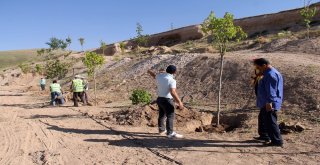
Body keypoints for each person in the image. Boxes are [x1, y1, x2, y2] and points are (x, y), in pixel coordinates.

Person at [253, 58, 284, 147]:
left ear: (264, 65)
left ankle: (277, 141)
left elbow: (271, 91)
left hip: (269, 102)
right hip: (265, 102)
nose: (257, 69)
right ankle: (264, 135)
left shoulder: (270, 75)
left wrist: (269, 102)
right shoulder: (267, 73)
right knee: (263, 118)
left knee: (270, 121)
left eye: (258, 67)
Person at [148, 65, 184, 139]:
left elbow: (154, 75)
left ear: (166, 70)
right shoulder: (172, 80)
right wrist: (179, 102)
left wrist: (149, 71)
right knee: (170, 116)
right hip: (167, 100)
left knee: (162, 115)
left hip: (159, 99)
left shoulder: (160, 76)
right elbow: (172, 92)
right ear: (174, 72)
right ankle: (170, 133)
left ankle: (161, 130)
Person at [251, 68, 270, 142]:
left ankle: (266, 136)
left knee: (265, 117)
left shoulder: (264, 77)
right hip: (262, 101)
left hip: (266, 101)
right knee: (261, 117)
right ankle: (263, 135)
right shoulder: (259, 77)